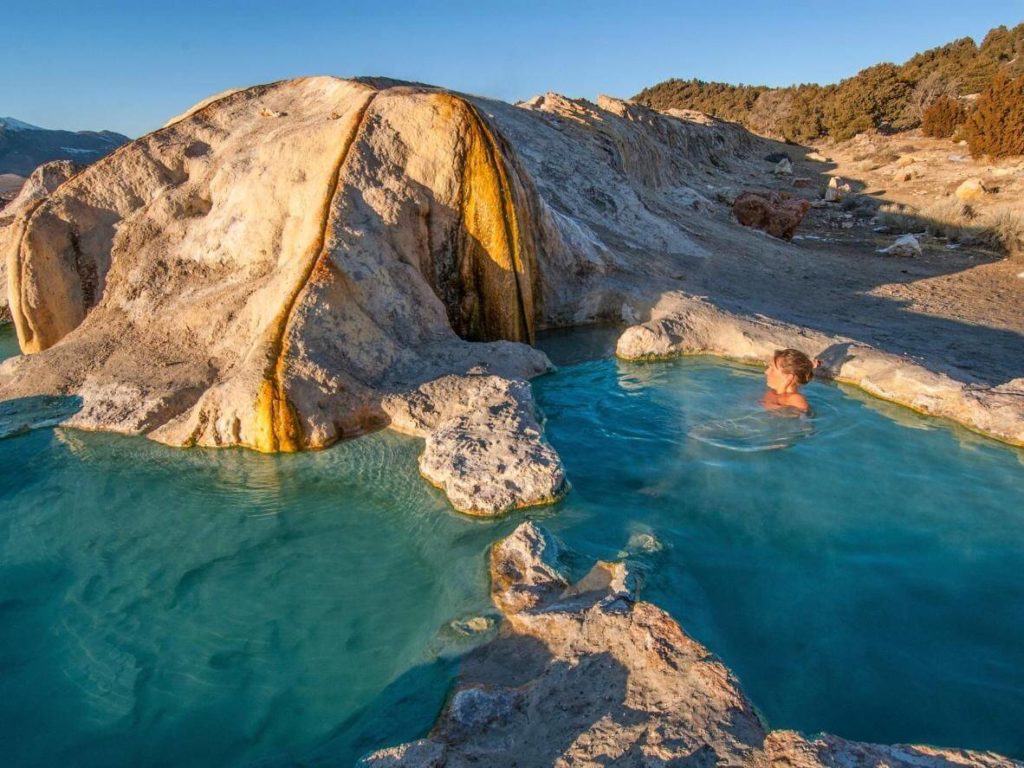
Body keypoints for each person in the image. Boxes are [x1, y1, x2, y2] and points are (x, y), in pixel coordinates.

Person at [763, 348, 817, 413]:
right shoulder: (773, 392)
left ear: (788, 377)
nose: (766, 372)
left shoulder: (797, 400)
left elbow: (801, 421)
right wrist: (781, 390)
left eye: (772, 369)